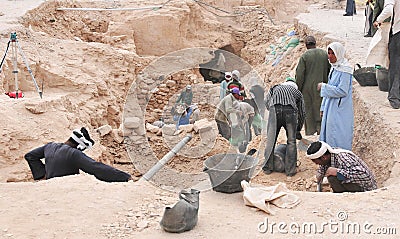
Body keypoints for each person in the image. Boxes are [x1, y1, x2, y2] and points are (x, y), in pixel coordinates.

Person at [24, 127, 132, 182]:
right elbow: (96, 168)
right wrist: (124, 177)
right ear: (80, 146)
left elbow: (30, 156)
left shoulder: (50, 146)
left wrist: (42, 175)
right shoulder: (73, 154)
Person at [263, 78, 305, 177]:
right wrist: (298, 129)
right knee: (291, 141)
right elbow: (302, 113)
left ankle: (268, 168)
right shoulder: (297, 92)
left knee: (271, 140)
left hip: (274, 110)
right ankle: (290, 170)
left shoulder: (275, 87)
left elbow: (266, 101)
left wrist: (272, 109)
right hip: (290, 112)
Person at [317, 42, 354, 150]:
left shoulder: (345, 70)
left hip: (340, 109)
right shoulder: (335, 67)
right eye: (328, 53)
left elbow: (342, 91)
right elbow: (330, 86)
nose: (330, 56)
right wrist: (323, 107)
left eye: (333, 53)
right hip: (330, 107)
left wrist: (324, 87)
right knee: (329, 133)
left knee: (338, 134)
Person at [306, 141, 377, 193]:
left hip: (365, 188)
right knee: (331, 174)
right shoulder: (328, 158)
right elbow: (322, 169)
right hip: (352, 182)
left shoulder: (342, 158)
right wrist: (319, 175)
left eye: (315, 161)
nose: (316, 164)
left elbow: (365, 175)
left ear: (323, 157)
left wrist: (337, 172)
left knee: (332, 177)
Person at [295, 36, 331, 136]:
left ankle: (311, 133)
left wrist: (298, 89)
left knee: (309, 110)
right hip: (322, 86)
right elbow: (329, 70)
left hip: (307, 89)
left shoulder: (305, 56)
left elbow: (300, 75)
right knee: (320, 108)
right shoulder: (324, 54)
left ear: (306, 45)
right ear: (315, 43)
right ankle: (321, 130)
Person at [373, 0, 400, 109]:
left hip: (398, 33)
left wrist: (378, 20)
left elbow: (388, 10)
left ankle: (395, 99)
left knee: (395, 65)